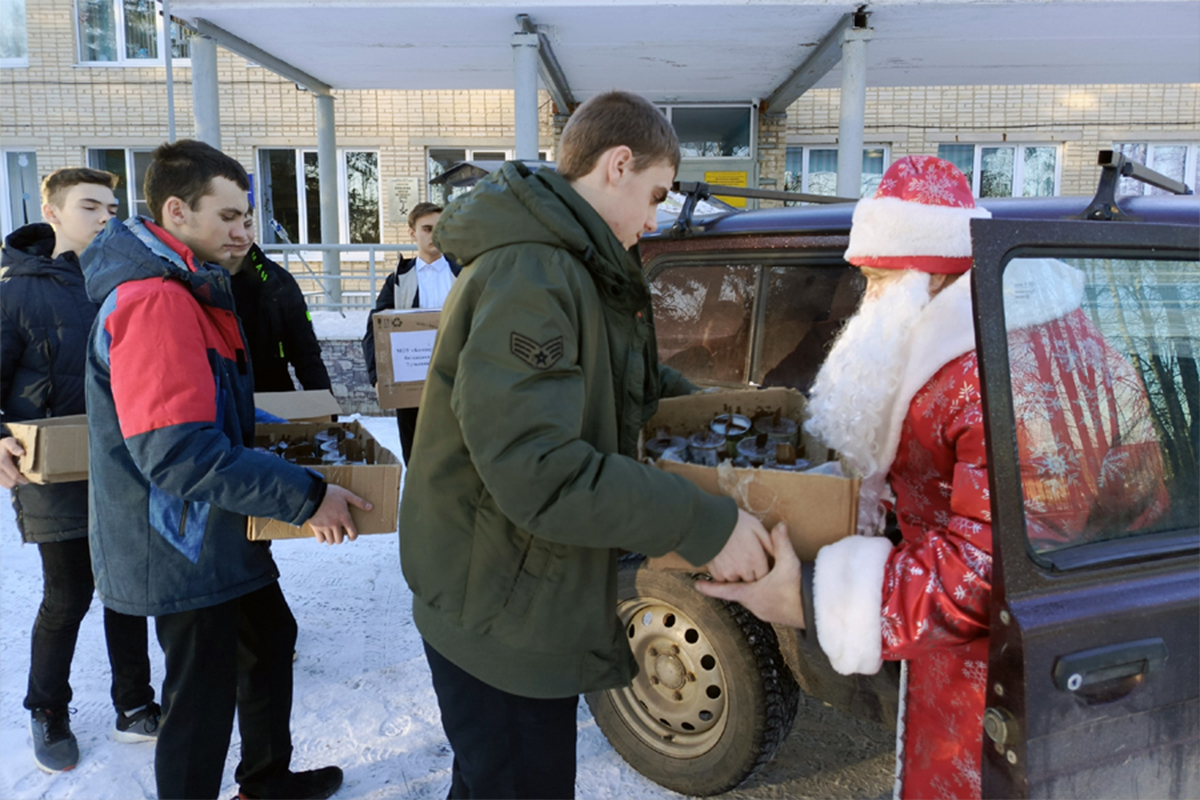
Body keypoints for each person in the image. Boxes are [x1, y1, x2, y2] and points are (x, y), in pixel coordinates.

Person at [697, 155, 1168, 800]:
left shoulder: (994, 381)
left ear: (925, 275)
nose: (866, 298)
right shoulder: (1022, 334)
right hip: (1069, 650)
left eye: (875, 279)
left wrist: (806, 597)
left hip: (1002, 680)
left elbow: (985, 577)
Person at [399, 90, 773, 800]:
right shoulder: (532, 272)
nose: (655, 219)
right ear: (618, 164)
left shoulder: (565, 262)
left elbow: (607, 376)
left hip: (513, 591)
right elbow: (539, 471)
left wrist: (714, 406)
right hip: (500, 608)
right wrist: (703, 525)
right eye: (655, 194)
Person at [81, 139, 371, 800]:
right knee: (201, 696)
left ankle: (264, 783)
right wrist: (306, 494)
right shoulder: (157, 301)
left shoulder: (192, 287)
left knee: (269, 637)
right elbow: (178, 453)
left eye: (248, 217)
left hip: (212, 528)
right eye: (229, 217)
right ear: (177, 212)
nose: (244, 231)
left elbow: (206, 413)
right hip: (179, 536)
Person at [1, 167, 160, 774]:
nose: (104, 217)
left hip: (123, 462)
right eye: (90, 205)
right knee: (68, 594)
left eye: (112, 207)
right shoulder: (15, 292)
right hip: (53, 468)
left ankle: (135, 706)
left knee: (126, 588)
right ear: (53, 211)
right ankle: (47, 709)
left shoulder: (122, 283)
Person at [361, 202, 460, 462]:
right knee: (416, 459)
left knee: (459, 459)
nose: (434, 235)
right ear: (412, 233)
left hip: (458, 384)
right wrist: (377, 378)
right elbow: (375, 329)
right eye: (427, 228)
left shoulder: (464, 273)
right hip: (412, 390)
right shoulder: (398, 279)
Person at [219, 214, 332, 393]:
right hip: (215, 407)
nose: (242, 235)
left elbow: (307, 356)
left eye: (248, 225)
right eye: (230, 224)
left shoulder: (278, 283)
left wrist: (327, 413)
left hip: (274, 402)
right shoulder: (193, 282)